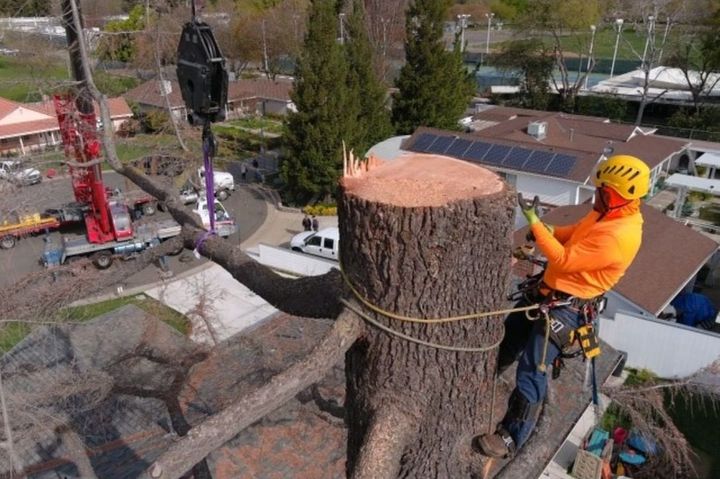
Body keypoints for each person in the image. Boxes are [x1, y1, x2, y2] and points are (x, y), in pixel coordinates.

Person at [473, 155, 650, 459]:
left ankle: (510, 437)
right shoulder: (607, 216)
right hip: (547, 293)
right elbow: (574, 234)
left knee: (531, 371)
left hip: (565, 309)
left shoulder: (621, 235)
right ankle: (477, 383)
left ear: (615, 194)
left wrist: (533, 223)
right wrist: (546, 228)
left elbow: (565, 260)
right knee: (508, 339)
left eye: (601, 191)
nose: (596, 196)